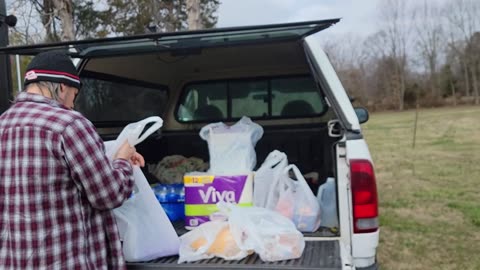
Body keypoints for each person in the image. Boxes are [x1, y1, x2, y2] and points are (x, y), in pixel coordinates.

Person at [0, 51, 144, 269]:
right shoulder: (69, 124)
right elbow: (108, 195)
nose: (72, 105)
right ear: (63, 87)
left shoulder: (3, 123)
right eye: (74, 96)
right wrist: (122, 161)